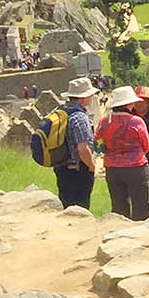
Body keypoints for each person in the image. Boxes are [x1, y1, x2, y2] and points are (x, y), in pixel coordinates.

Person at [97, 86, 149, 221]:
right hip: (136, 166)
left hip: (112, 167)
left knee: (119, 207)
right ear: (129, 104)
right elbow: (146, 144)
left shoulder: (105, 121)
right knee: (141, 207)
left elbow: (96, 140)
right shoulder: (136, 121)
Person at [53, 77, 101, 210]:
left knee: (66, 206)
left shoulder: (58, 112)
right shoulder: (79, 117)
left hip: (60, 167)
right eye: (89, 95)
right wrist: (91, 166)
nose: (91, 97)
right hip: (78, 170)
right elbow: (82, 148)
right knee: (81, 209)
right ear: (82, 98)